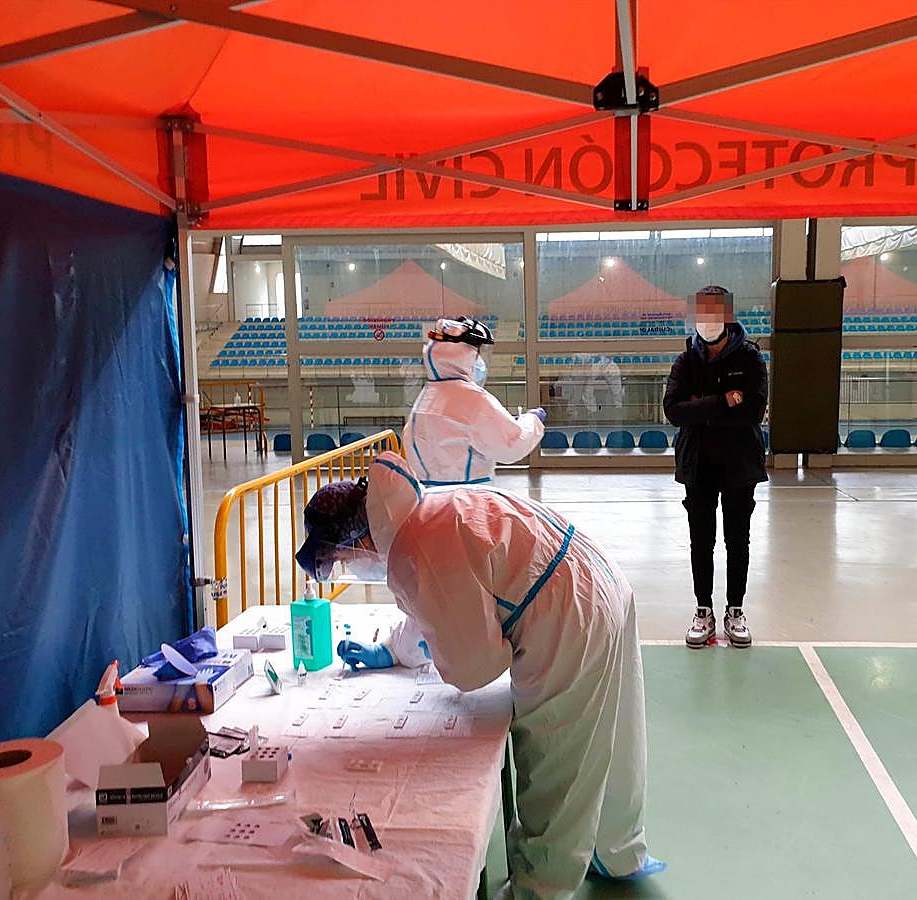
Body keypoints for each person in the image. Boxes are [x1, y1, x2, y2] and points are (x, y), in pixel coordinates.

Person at [295, 452, 665, 899]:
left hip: (567, 619)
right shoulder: (426, 510)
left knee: (558, 760)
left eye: (341, 558)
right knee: (613, 735)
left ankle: (541, 887)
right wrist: (394, 649)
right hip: (599, 582)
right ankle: (614, 847)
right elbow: (441, 593)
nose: (348, 567)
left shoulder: (412, 547)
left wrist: (448, 648)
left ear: (362, 539)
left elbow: (475, 666)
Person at [663, 285, 768, 650]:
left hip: (740, 465)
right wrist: (725, 400)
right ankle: (703, 610)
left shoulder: (751, 359)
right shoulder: (685, 361)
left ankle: (735, 610)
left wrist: (701, 408)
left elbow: (754, 411)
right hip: (699, 466)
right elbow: (674, 411)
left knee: (738, 541)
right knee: (701, 541)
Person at [403, 316, 546, 486]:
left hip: (428, 496)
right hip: (468, 496)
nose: (479, 361)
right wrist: (532, 420)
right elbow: (512, 446)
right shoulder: (474, 399)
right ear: (464, 355)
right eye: (477, 354)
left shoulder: (428, 395)